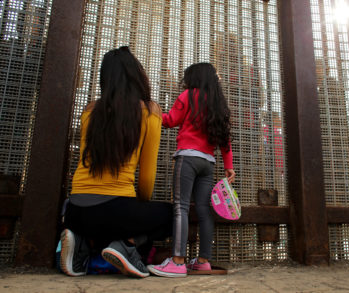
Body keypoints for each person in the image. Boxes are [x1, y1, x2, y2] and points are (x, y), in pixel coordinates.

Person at [60, 46, 172, 278]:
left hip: (75, 211)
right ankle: (126, 245)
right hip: (116, 211)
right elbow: (147, 176)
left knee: (103, 223)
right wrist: (137, 216)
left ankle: (78, 241)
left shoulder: (90, 110)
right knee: (172, 215)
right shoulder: (150, 111)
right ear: (136, 75)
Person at [147, 63, 236, 278]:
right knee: (205, 211)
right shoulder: (218, 103)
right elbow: (225, 139)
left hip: (187, 157)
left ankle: (177, 261)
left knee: (181, 207)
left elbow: (170, 120)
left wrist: (154, 112)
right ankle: (203, 261)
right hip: (208, 163)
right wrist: (229, 166)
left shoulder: (188, 96)